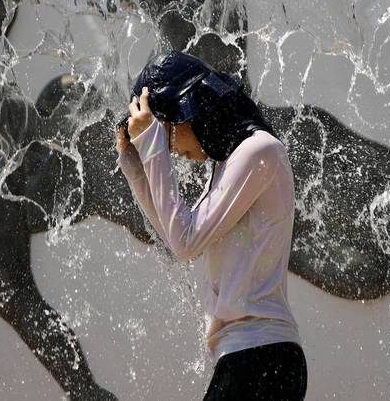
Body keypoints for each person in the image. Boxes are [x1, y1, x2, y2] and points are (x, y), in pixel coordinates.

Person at [115, 51, 307, 400]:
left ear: (187, 109)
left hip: (261, 357)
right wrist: (136, 167)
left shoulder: (259, 151)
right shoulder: (228, 165)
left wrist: (150, 145)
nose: (170, 151)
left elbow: (186, 241)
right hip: (247, 358)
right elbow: (181, 242)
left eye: (165, 132)